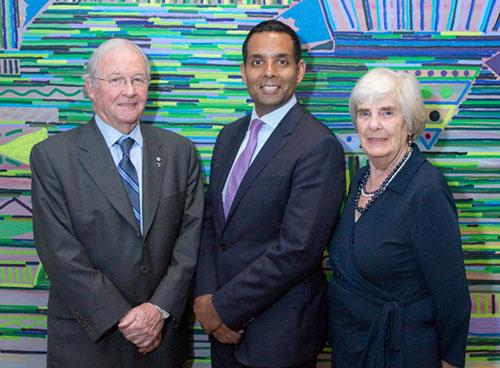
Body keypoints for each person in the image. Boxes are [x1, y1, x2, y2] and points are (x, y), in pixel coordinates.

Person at [30, 38, 204, 368]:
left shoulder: (180, 153)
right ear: (90, 88)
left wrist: (157, 311)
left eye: (138, 79)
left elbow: (190, 241)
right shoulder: (53, 157)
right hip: (88, 342)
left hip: (162, 341)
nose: (129, 90)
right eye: (116, 79)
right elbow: (59, 251)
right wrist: (126, 319)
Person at [194, 20, 345, 368]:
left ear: (300, 70)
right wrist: (204, 297)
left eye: (282, 61)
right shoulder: (228, 137)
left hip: (279, 335)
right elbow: (211, 226)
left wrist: (223, 307)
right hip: (221, 329)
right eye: (257, 61)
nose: (269, 73)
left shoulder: (318, 146)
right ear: (244, 70)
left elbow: (298, 249)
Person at [328, 68, 471, 368]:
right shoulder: (362, 177)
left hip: (402, 352)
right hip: (353, 346)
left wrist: (450, 361)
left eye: (388, 112)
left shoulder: (427, 190)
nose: (374, 125)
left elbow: (453, 295)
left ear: (409, 123)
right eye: (364, 113)